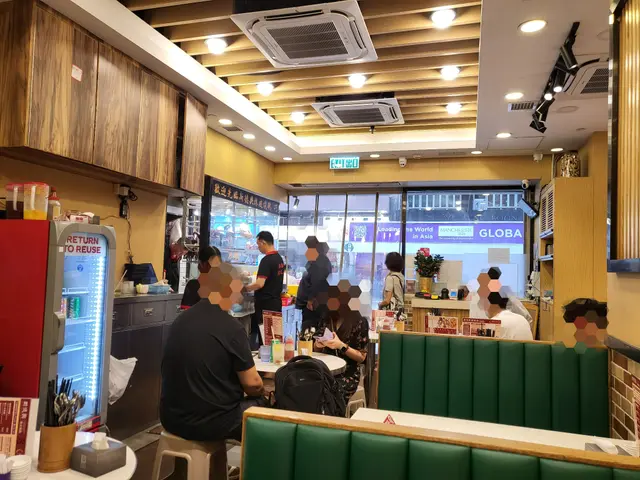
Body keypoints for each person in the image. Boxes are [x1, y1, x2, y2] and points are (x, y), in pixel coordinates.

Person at [160, 264, 268, 442]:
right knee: (264, 405)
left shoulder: (180, 320)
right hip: (210, 423)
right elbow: (253, 384)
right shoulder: (232, 328)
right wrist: (265, 392)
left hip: (171, 418)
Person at [315, 310, 369, 406]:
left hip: (347, 373)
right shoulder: (327, 318)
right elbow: (316, 349)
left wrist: (341, 346)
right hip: (325, 370)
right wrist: (318, 345)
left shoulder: (360, 321)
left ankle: (332, 414)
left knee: (328, 391)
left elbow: (362, 357)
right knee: (309, 385)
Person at [246, 231, 284, 349]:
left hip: (266, 306)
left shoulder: (266, 260)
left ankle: (266, 360)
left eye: (258, 244)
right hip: (276, 304)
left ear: (263, 242)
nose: (258, 247)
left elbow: (259, 284)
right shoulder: (279, 259)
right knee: (275, 338)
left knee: (266, 340)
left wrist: (244, 288)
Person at [296, 238, 332, 332]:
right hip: (310, 306)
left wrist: (311, 299)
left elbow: (318, 281)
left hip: (313, 307)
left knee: (310, 331)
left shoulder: (321, 261)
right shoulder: (318, 260)